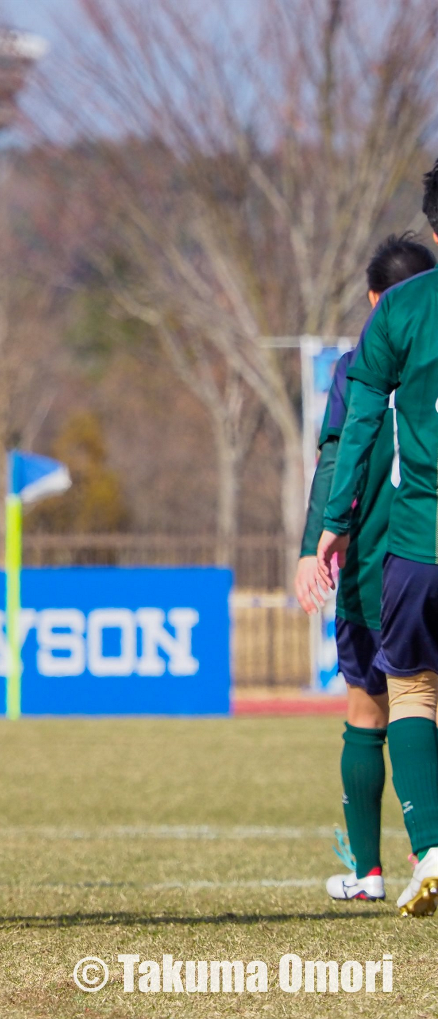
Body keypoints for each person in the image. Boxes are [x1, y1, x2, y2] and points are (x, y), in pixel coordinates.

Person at [297, 233, 436, 903]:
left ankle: (367, 870)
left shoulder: (360, 365)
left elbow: (335, 460)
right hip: (419, 551)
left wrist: (313, 543)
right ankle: (424, 849)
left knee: (372, 703)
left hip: (379, 559)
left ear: (379, 299)